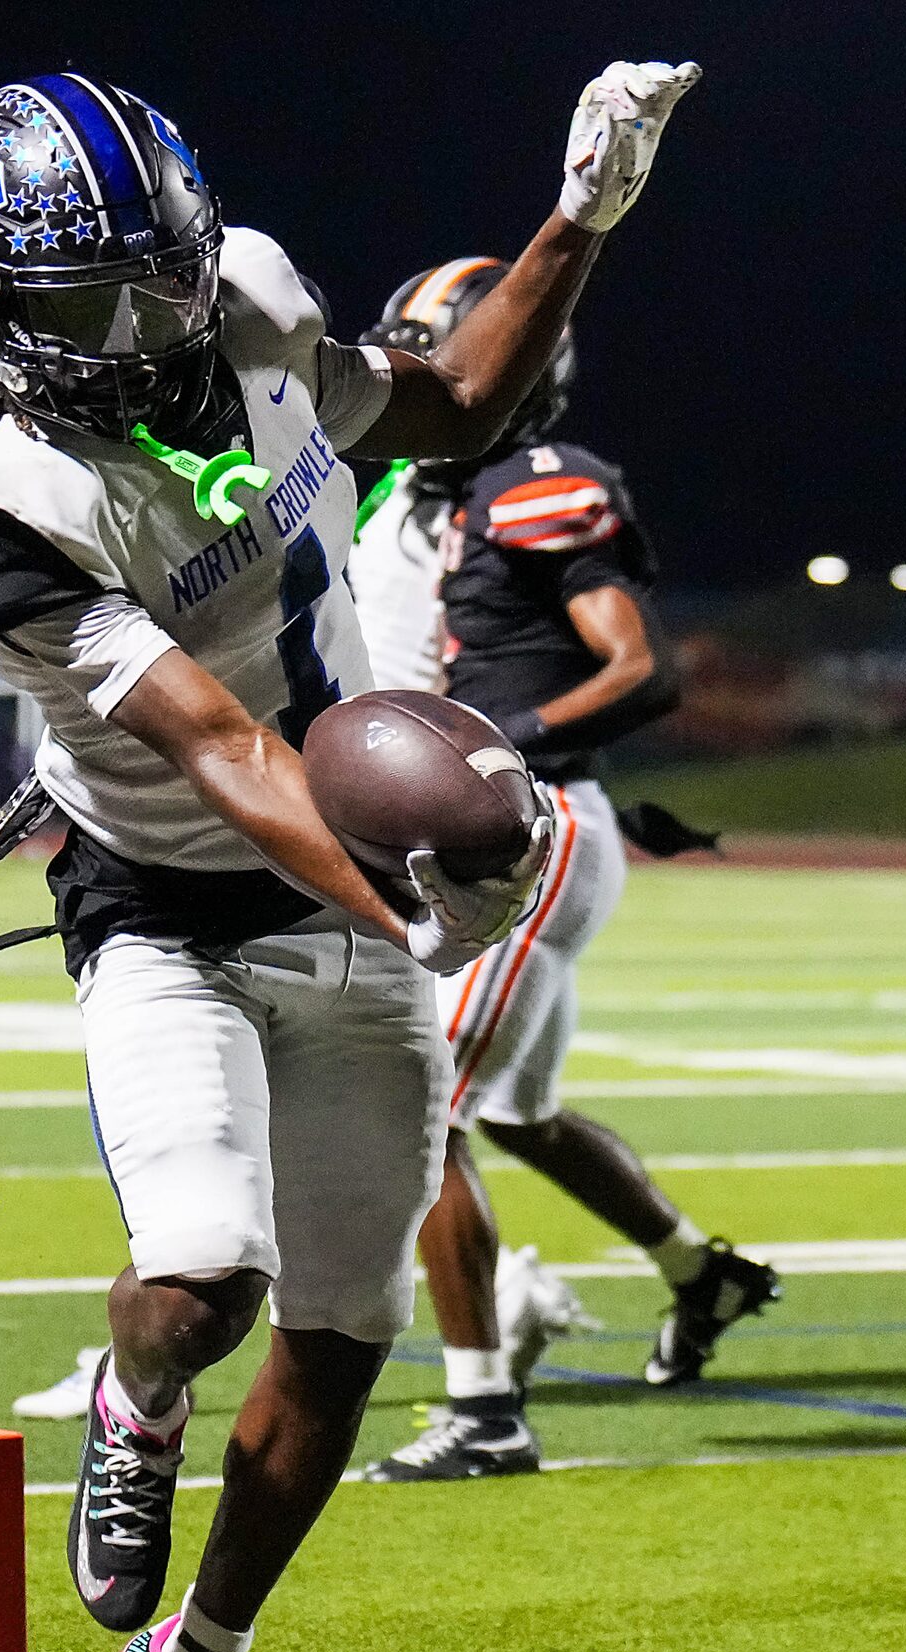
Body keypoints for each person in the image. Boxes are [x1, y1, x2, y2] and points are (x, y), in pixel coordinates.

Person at [0, 60, 699, 1652]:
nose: (154, 318)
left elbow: (448, 408)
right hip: (168, 892)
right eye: (103, 296)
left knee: (343, 1332)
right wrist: (406, 895)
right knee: (201, 1278)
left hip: (330, 884)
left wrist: (581, 218)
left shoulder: (246, 302)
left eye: (163, 269)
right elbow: (224, 748)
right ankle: (136, 1385)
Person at [346, 260, 780, 1485]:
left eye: (439, 363)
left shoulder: (539, 485)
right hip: (469, 829)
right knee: (516, 1114)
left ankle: (483, 1411)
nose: (414, 389)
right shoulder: (406, 498)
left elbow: (639, 671)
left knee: (416, 1116)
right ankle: (705, 1273)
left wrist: (489, 748)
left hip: (521, 829)